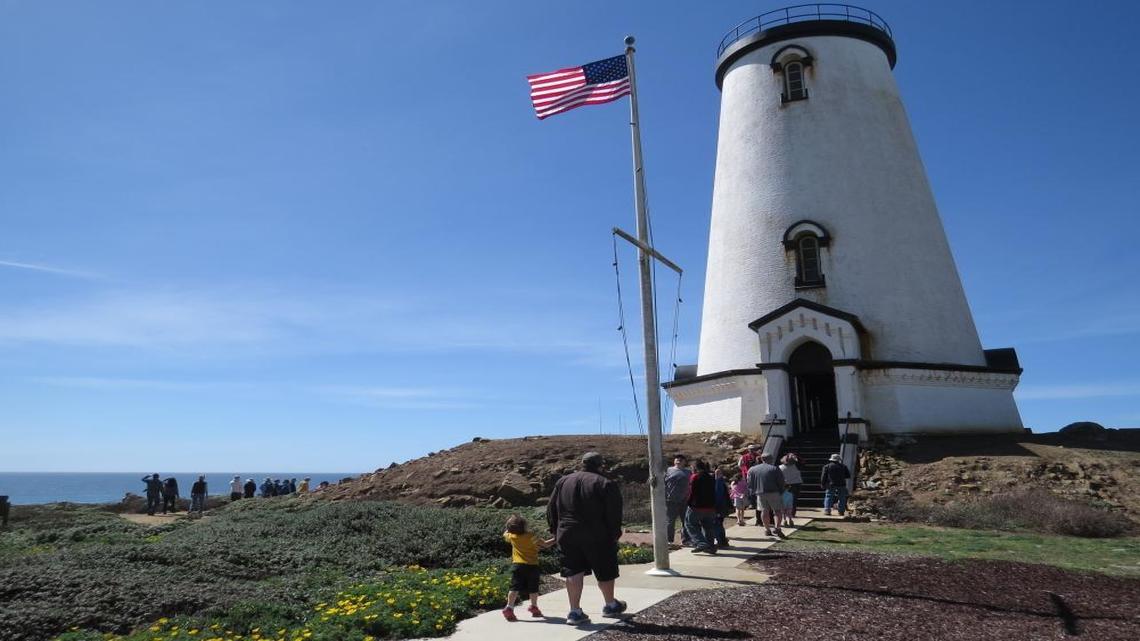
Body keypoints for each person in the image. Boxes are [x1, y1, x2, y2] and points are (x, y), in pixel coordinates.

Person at [546, 452, 625, 626]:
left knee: (573, 571)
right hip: (597, 534)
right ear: (600, 465)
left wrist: (555, 531)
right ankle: (610, 605)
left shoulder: (562, 481)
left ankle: (574, 611)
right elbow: (613, 513)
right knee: (604, 569)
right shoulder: (605, 483)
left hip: (567, 533)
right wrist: (614, 534)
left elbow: (551, 508)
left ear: (582, 464)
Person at [500, 514, 555, 622]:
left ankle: (509, 607)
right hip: (532, 566)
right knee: (533, 588)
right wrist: (556, 538)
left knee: (514, 588)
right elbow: (545, 545)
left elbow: (505, 533)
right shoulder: (531, 536)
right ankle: (534, 607)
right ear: (524, 526)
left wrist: (509, 527)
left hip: (517, 565)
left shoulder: (511, 536)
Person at [684, 460, 720, 555]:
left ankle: (701, 543)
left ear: (695, 467)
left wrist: (688, 502)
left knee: (690, 524)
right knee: (708, 527)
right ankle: (710, 546)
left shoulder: (695, 477)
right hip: (710, 506)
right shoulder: (711, 477)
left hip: (697, 506)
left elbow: (691, 491)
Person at [747, 452, 786, 538]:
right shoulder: (775, 469)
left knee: (764, 511)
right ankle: (777, 527)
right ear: (770, 459)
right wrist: (781, 491)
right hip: (774, 492)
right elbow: (781, 482)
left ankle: (767, 529)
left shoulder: (752, 469)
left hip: (760, 493)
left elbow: (749, 483)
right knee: (777, 511)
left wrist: (754, 491)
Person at [663, 454, 691, 546]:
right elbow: (662, 483)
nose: (678, 460)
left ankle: (686, 540)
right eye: (677, 459)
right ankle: (669, 541)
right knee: (670, 521)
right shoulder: (668, 470)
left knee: (686, 521)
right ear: (674, 461)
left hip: (684, 500)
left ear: (684, 462)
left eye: (681, 459)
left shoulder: (688, 472)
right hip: (670, 500)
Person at [779, 453, 803, 526]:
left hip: (785, 485)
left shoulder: (780, 467)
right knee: (794, 500)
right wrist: (796, 457)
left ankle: (785, 517)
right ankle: (792, 513)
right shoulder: (797, 466)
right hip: (796, 484)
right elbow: (802, 462)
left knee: (783, 502)